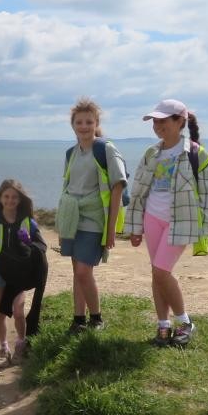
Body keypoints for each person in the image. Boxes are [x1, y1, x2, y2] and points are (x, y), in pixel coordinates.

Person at [124, 99, 208, 348]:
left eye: (163, 121)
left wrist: (203, 230)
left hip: (181, 222)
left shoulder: (198, 154)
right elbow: (138, 191)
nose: (157, 126)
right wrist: (135, 227)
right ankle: (163, 326)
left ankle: (185, 323)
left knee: (161, 272)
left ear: (180, 122)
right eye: (155, 121)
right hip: (151, 219)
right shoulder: (151, 153)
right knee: (157, 274)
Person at [56, 98, 127, 332]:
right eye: (79, 122)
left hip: (95, 218)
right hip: (72, 217)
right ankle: (78, 320)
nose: (84, 126)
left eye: (89, 121)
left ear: (96, 123)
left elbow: (118, 186)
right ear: (72, 124)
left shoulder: (105, 148)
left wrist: (111, 230)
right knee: (77, 271)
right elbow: (68, 187)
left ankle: (96, 318)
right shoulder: (71, 153)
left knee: (84, 271)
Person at [0, 179, 48, 368]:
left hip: (20, 274)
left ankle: (21, 344)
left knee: (19, 311)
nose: (10, 200)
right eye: (6, 196)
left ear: (20, 200)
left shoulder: (28, 222)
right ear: (0, 198)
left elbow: (42, 246)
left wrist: (29, 243)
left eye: (14, 197)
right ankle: (4, 350)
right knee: (2, 311)